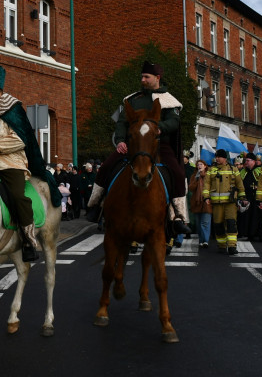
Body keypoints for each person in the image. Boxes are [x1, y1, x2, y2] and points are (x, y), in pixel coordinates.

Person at [85, 61, 193, 239]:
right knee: (106, 166)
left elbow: (174, 122)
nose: (142, 80)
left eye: (146, 77)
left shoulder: (169, 100)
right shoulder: (133, 100)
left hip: (159, 145)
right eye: (142, 77)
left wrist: (160, 127)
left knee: (178, 173)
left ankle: (178, 217)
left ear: (157, 78)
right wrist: (120, 141)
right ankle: (96, 206)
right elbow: (122, 123)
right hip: (133, 144)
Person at [0, 64, 61, 262]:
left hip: (10, 165)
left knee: (17, 197)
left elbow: (22, 139)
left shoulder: (13, 110)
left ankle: (29, 241)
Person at [203, 148, 246, 254]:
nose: (217, 159)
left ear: (225, 158)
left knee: (231, 223)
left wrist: (242, 197)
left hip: (230, 202)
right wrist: (206, 197)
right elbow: (206, 184)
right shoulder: (211, 169)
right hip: (216, 203)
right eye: (216, 157)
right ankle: (221, 245)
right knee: (218, 224)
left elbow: (239, 184)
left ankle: (232, 246)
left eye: (219, 157)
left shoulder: (233, 169)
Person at [237, 153, 262, 245]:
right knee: (247, 217)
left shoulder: (259, 170)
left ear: (253, 161)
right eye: (246, 161)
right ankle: (249, 234)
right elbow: (239, 183)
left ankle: (260, 235)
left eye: (248, 161)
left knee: (258, 216)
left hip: (257, 198)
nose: (246, 163)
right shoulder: (243, 171)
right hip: (247, 197)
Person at [188, 160, 212, 251]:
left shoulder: (209, 176)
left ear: (205, 166)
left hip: (206, 202)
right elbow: (191, 188)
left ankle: (205, 241)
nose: (199, 166)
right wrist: (197, 180)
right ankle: (201, 241)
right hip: (197, 202)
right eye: (198, 165)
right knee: (199, 224)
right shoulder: (194, 176)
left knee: (205, 223)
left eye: (201, 164)